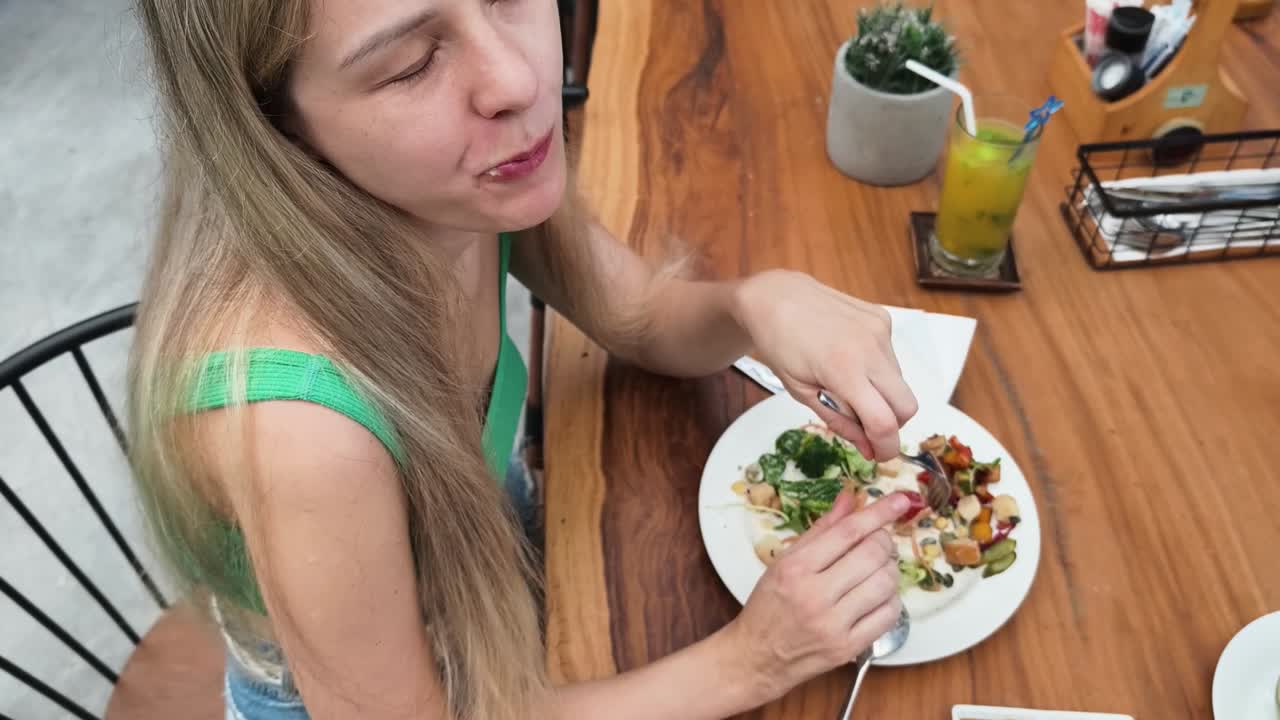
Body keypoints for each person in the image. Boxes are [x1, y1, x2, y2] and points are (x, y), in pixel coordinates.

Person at [125, 1, 920, 719]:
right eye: (409, 63)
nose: (519, 77)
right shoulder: (303, 432)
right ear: (277, 125)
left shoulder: (455, 187)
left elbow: (641, 319)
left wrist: (756, 303)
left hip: (498, 584)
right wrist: (755, 661)